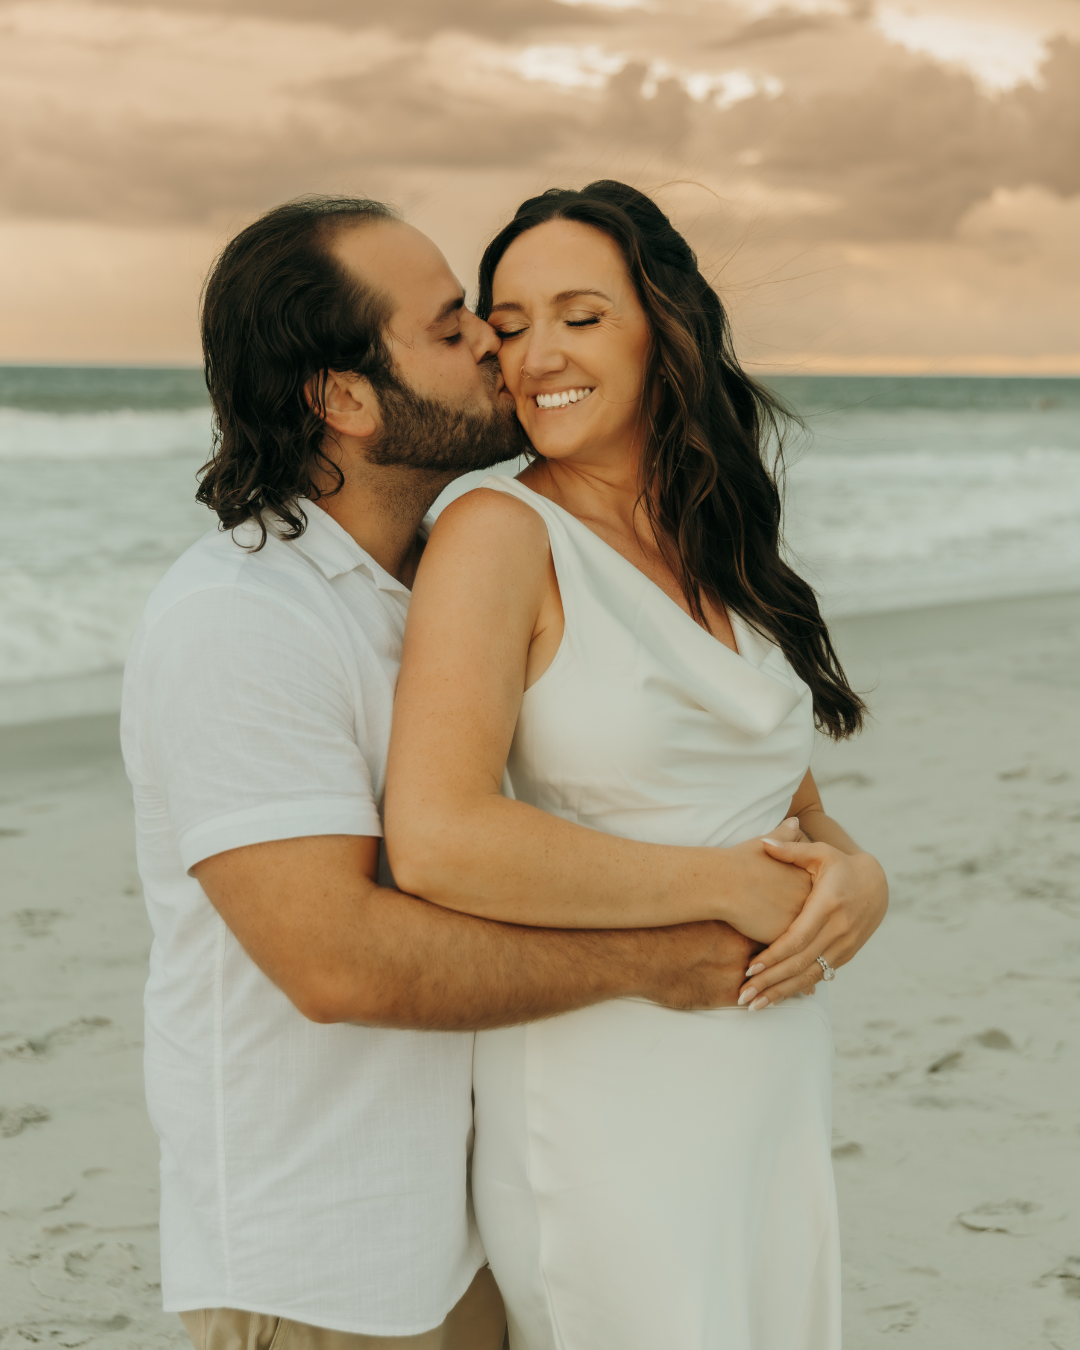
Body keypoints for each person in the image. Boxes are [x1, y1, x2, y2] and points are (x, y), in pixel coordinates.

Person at [120, 195, 847, 1350]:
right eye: (460, 327)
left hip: (463, 1233)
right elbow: (337, 964)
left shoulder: (429, 586)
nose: (500, 354)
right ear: (345, 397)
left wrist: (846, 875)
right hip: (323, 1259)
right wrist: (664, 956)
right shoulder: (238, 622)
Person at [383, 182, 889, 1349]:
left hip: (765, 1070)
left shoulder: (714, 538)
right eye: (506, 327)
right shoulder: (497, 534)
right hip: (603, 1080)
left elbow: (784, 800)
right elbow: (441, 838)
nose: (534, 354)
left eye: (579, 315)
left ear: (665, 332)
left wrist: (860, 879)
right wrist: (721, 885)